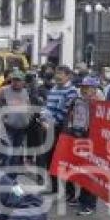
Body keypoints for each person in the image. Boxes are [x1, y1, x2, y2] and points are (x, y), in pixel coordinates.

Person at [42, 65, 80, 199]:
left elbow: (66, 112)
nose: (57, 76)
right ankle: (55, 187)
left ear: (68, 76)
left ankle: (70, 192)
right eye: (57, 73)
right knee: (50, 158)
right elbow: (48, 108)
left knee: (65, 160)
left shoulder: (72, 91)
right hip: (50, 127)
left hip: (63, 130)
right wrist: (43, 118)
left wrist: (51, 122)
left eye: (61, 74)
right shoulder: (54, 88)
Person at [74, 77, 104, 216]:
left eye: (86, 87)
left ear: (94, 89)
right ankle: (82, 199)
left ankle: (90, 204)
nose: (83, 89)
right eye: (82, 87)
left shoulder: (101, 103)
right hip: (81, 137)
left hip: (94, 141)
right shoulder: (80, 100)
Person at [0, 70, 33, 167]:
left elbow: (28, 105)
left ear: (23, 82)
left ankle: (12, 177)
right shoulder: (3, 90)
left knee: (16, 153)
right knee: (8, 152)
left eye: (18, 80)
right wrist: (2, 119)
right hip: (8, 128)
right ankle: (5, 176)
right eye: (13, 80)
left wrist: (29, 118)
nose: (15, 82)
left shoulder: (25, 91)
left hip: (21, 128)